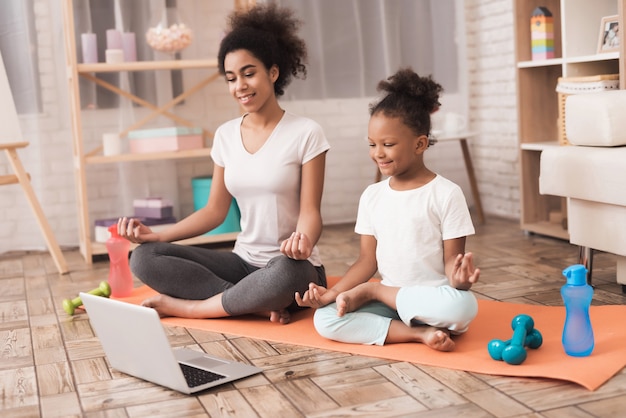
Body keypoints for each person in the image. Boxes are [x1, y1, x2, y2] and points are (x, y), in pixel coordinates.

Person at [117, 3, 330, 325]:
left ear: (273, 72)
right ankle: (249, 303)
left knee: (287, 273)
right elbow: (215, 211)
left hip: (291, 266)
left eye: (249, 73)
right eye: (231, 78)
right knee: (145, 259)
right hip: (242, 263)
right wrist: (158, 236)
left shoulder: (306, 132)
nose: (240, 86)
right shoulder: (226, 135)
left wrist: (304, 242)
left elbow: (310, 211)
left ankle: (195, 307)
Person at [296, 68, 480, 351]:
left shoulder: (446, 194)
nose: (377, 153)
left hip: (430, 301)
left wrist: (461, 282)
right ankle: (418, 334)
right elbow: (367, 262)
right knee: (326, 319)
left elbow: (451, 264)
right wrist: (331, 293)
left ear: (420, 144)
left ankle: (376, 291)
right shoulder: (372, 196)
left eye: (388, 144)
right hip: (389, 305)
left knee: (464, 307)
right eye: (372, 144)